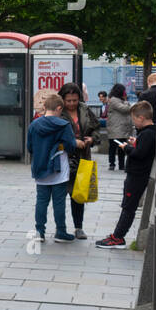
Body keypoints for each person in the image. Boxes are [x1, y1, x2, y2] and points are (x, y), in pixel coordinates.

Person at [97, 102, 156, 248]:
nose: (133, 122)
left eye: (134, 119)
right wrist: (136, 143)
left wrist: (127, 148)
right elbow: (144, 149)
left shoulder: (147, 133)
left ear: (141, 118)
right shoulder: (151, 132)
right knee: (128, 206)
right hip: (139, 174)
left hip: (137, 175)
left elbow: (139, 154)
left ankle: (118, 237)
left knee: (128, 207)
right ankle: (117, 236)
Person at [28, 93, 77, 244]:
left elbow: (29, 147)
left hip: (40, 167)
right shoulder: (63, 125)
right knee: (59, 201)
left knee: (41, 201)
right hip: (58, 168)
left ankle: (39, 232)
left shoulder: (34, 125)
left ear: (44, 107)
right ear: (59, 108)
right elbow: (71, 146)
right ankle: (60, 232)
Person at [58, 83, 100, 239]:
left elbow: (96, 128)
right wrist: (72, 142)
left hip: (82, 157)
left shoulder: (84, 109)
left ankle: (78, 227)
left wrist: (92, 139)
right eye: (68, 100)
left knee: (78, 195)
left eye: (74, 100)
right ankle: (60, 228)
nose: (71, 104)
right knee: (60, 195)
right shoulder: (58, 111)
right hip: (63, 158)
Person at [104, 84, 132, 172]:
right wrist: (127, 103)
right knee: (113, 147)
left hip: (122, 128)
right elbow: (124, 109)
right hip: (116, 128)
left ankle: (121, 165)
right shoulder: (113, 100)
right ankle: (112, 164)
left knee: (121, 148)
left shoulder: (120, 100)